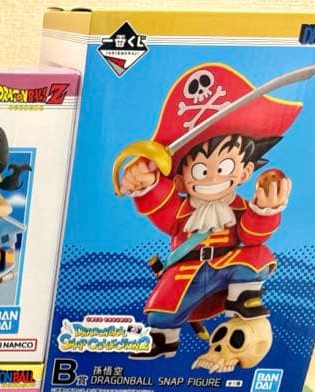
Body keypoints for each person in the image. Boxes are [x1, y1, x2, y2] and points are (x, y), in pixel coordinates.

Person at [117, 63, 300, 360]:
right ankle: (162, 339)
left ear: (245, 172)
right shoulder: (183, 211)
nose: (213, 176)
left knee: (255, 253)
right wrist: (148, 184)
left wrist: (266, 210)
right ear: (180, 181)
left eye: (225, 167)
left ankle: (244, 296)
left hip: (229, 265)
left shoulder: (241, 208)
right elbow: (163, 210)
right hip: (186, 271)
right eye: (201, 170)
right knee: (161, 306)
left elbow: (251, 235)